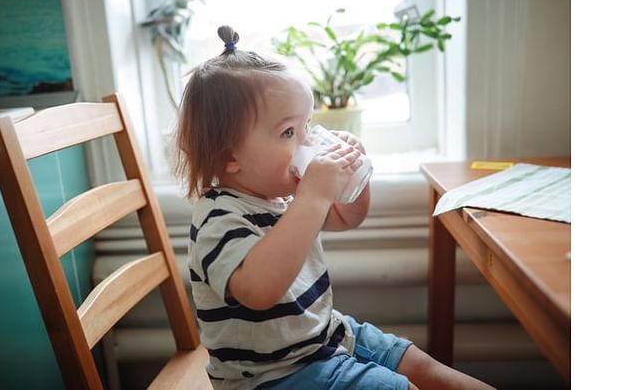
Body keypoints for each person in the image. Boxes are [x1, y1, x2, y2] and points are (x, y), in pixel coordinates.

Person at [174, 25, 495, 390]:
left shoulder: (285, 197)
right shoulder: (218, 218)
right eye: (288, 132)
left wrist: (354, 175)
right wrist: (312, 197)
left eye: (307, 125)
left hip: (323, 336)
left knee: (421, 365)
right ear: (230, 155)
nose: (307, 141)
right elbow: (259, 290)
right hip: (273, 375)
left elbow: (348, 216)